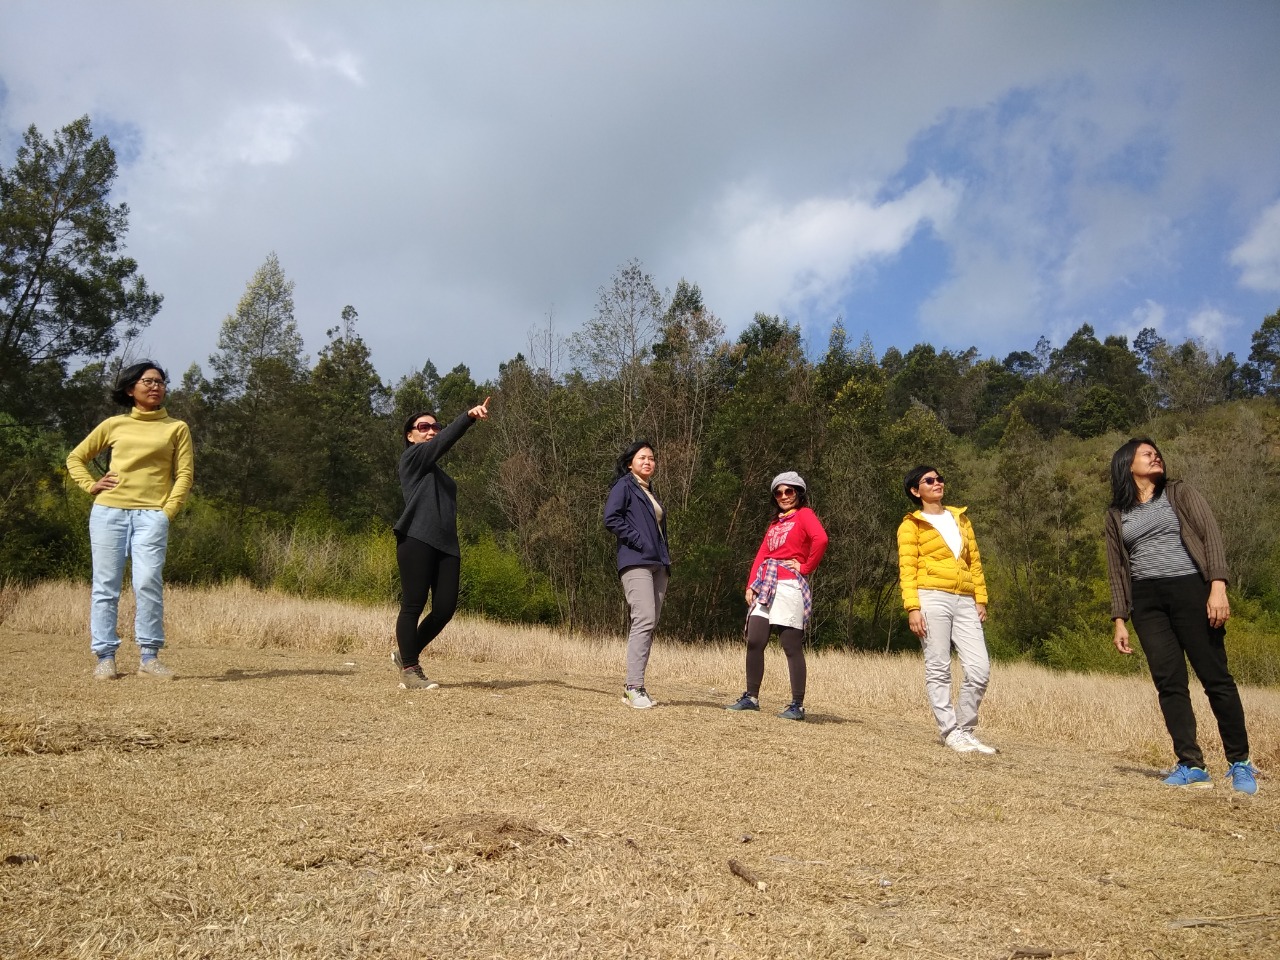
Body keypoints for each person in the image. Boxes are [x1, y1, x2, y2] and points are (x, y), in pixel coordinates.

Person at [1105, 438, 1257, 794]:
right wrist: (1119, 619)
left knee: (1216, 678)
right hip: (1147, 601)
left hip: (1190, 589)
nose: (1155, 456)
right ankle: (1191, 764)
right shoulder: (1116, 513)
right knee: (1169, 683)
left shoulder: (1178, 493)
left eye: (1156, 452)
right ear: (1127, 464)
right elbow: (1116, 569)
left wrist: (1217, 587)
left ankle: (1240, 763)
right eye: (1146, 453)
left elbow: (1211, 536)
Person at [66, 361, 194, 681]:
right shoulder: (114, 424)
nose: (156, 386)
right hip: (109, 512)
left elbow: (184, 475)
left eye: (160, 381)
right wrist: (91, 485)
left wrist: (167, 513)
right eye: (148, 381)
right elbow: (75, 458)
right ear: (130, 389)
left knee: (148, 581)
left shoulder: (176, 428)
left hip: (152, 515)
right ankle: (105, 658)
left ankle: (149, 658)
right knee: (106, 586)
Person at [896, 466, 997, 754]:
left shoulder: (960, 518)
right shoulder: (911, 525)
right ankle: (950, 731)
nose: (937, 483)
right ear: (916, 491)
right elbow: (907, 569)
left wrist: (981, 598)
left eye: (939, 478)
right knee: (938, 667)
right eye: (929, 480)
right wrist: (912, 608)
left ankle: (965, 729)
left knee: (979, 669)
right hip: (931, 597)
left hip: (965, 598)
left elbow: (974, 561)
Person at [392, 397, 490, 690]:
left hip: (447, 545)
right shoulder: (412, 459)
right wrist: (468, 417)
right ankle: (410, 670)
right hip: (416, 538)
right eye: (424, 426)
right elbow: (441, 445)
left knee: (445, 609)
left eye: (436, 426)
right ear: (411, 435)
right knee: (413, 604)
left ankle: (404, 653)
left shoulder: (436, 473)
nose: (431, 430)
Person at [726, 471, 828, 721]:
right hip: (766, 583)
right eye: (779, 492)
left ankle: (797, 705)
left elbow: (821, 539)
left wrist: (805, 568)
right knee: (755, 639)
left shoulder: (805, 515)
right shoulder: (775, 523)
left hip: (788, 585)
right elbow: (762, 553)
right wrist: (751, 585)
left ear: (799, 493)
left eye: (789, 491)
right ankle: (751, 697)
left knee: (790, 645)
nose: (784, 496)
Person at [603, 440, 670, 709]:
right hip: (636, 561)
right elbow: (611, 518)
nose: (648, 462)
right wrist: (639, 540)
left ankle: (634, 685)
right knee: (643, 619)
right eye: (642, 457)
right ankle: (634, 687)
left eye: (651, 458)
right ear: (630, 462)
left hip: (658, 564)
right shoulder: (625, 486)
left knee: (649, 624)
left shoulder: (649, 492)